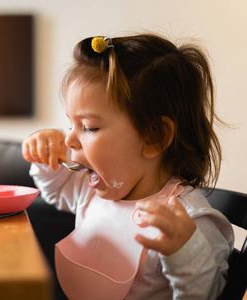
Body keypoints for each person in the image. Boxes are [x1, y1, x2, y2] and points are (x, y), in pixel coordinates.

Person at [22, 34, 234, 299]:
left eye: (88, 127)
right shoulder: (95, 188)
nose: (69, 139)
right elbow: (56, 192)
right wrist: (45, 156)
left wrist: (187, 253)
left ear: (154, 136)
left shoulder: (189, 224)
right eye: (70, 124)